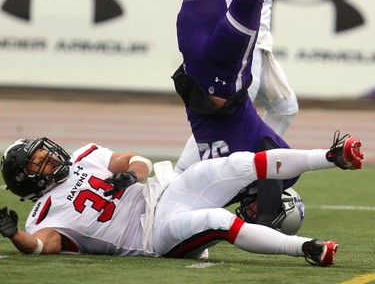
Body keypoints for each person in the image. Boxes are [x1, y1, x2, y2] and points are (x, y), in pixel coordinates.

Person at [172, 0, 341, 227]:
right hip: (208, 62)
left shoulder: (220, 186)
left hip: (213, 68)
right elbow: (282, 163)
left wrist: (331, 158)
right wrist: (330, 157)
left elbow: (283, 165)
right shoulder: (240, 179)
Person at [0, 132, 363, 266]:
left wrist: (133, 174)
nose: (48, 156)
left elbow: (132, 159)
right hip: (153, 237)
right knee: (218, 221)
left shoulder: (84, 156)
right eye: (37, 160)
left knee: (235, 164)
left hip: (166, 191)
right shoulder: (43, 215)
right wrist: (14, 234)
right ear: (25, 179)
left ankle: (330, 157)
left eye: (43, 151)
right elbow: (38, 246)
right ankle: (306, 248)